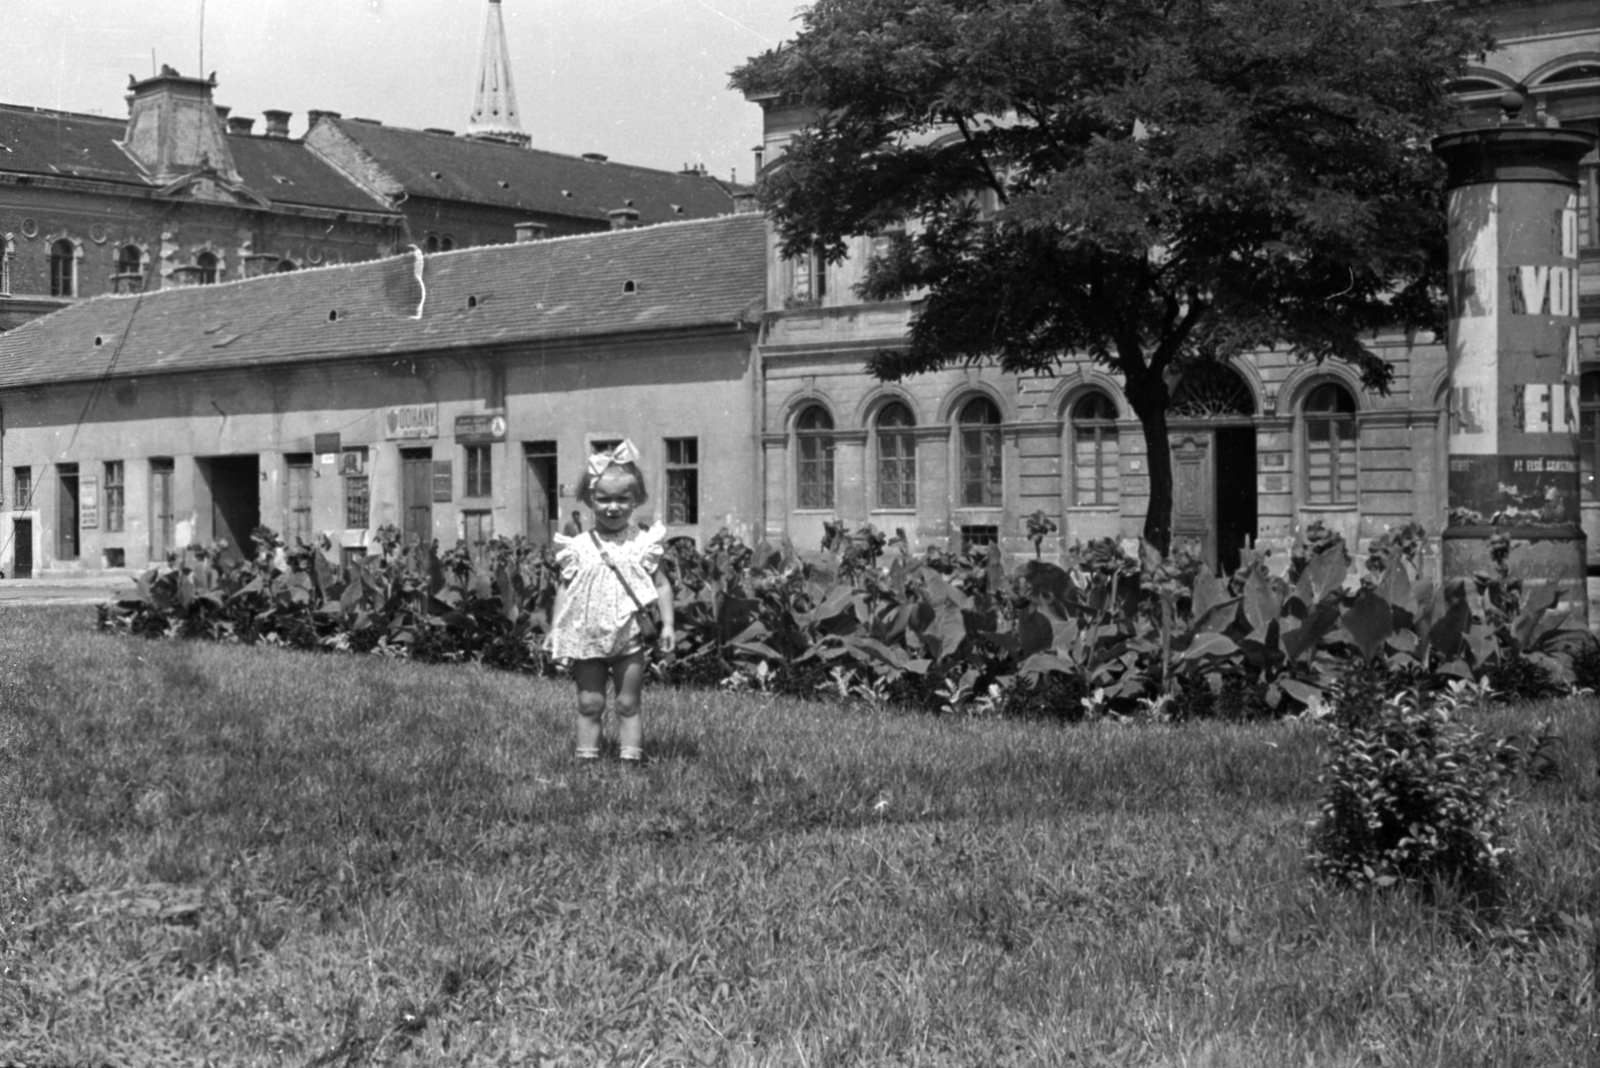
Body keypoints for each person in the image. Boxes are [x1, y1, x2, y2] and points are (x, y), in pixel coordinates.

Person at [549, 440, 676, 765]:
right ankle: (587, 765)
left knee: (627, 704)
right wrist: (555, 628)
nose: (613, 507)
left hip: (629, 638)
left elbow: (661, 585)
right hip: (587, 638)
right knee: (589, 703)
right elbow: (565, 588)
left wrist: (668, 625)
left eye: (623, 499)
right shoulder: (578, 546)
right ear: (589, 499)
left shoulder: (642, 544)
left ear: (637, 500)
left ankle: (631, 766)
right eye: (603, 499)